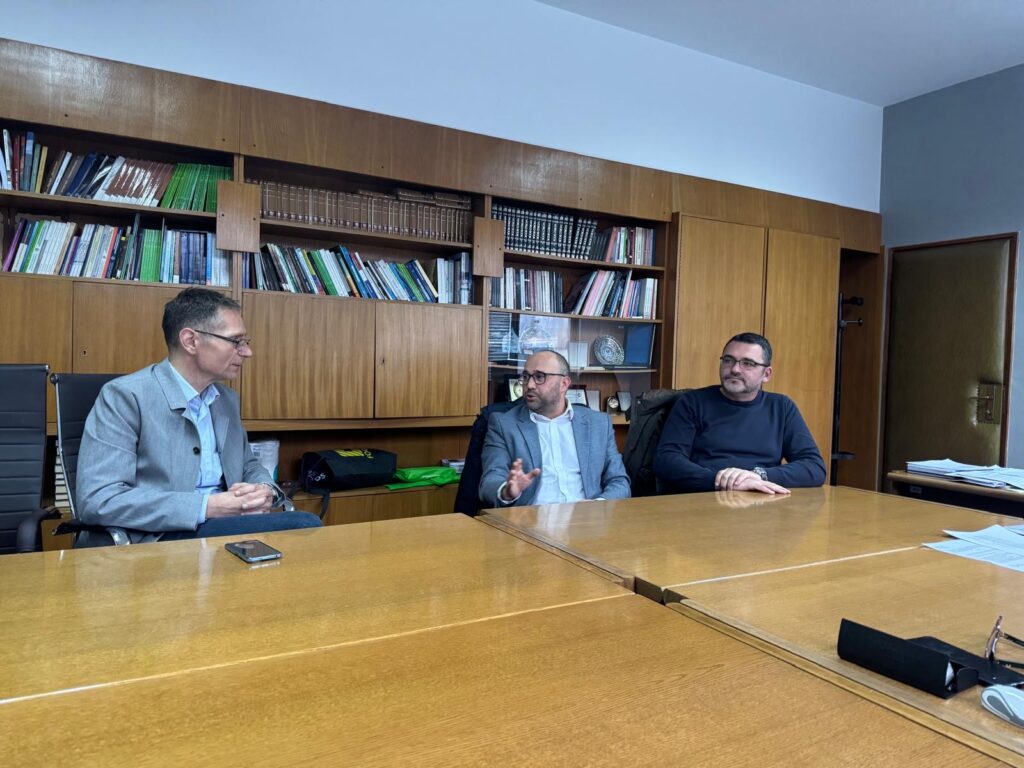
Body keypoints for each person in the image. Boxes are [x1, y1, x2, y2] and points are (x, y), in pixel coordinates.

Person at [77, 288, 322, 544]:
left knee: (304, 532)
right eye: (235, 341)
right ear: (191, 341)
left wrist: (265, 490)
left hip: (226, 527)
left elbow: (248, 466)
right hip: (161, 536)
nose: (247, 352)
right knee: (304, 526)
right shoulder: (124, 397)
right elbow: (99, 499)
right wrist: (208, 506)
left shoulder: (226, 400)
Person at [653, 332, 826, 495]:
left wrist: (759, 476)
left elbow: (814, 467)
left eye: (748, 363)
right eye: (728, 360)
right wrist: (721, 481)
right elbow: (666, 460)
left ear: (766, 374)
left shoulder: (782, 407)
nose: (735, 369)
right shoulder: (692, 402)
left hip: (762, 502)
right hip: (706, 497)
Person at [479, 349, 630, 506]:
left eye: (539, 377)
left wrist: (596, 506)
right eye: (526, 377)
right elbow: (489, 481)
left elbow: (619, 481)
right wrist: (507, 491)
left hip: (586, 516)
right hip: (531, 517)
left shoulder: (598, 424)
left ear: (564, 384)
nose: (529, 385)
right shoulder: (504, 424)